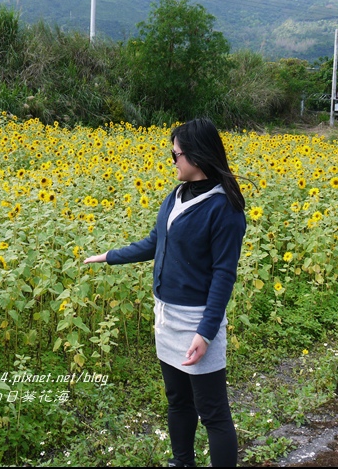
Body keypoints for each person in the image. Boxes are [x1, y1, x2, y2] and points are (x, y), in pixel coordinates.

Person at [84, 118, 247, 467]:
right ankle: (182, 462)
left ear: (196, 157)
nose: (171, 161)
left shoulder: (224, 209)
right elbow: (155, 243)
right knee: (177, 400)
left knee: (213, 412)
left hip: (197, 322)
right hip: (167, 317)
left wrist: (206, 332)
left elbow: (224, 275)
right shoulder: (175, 196)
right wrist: (110, 256)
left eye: (175, 155)